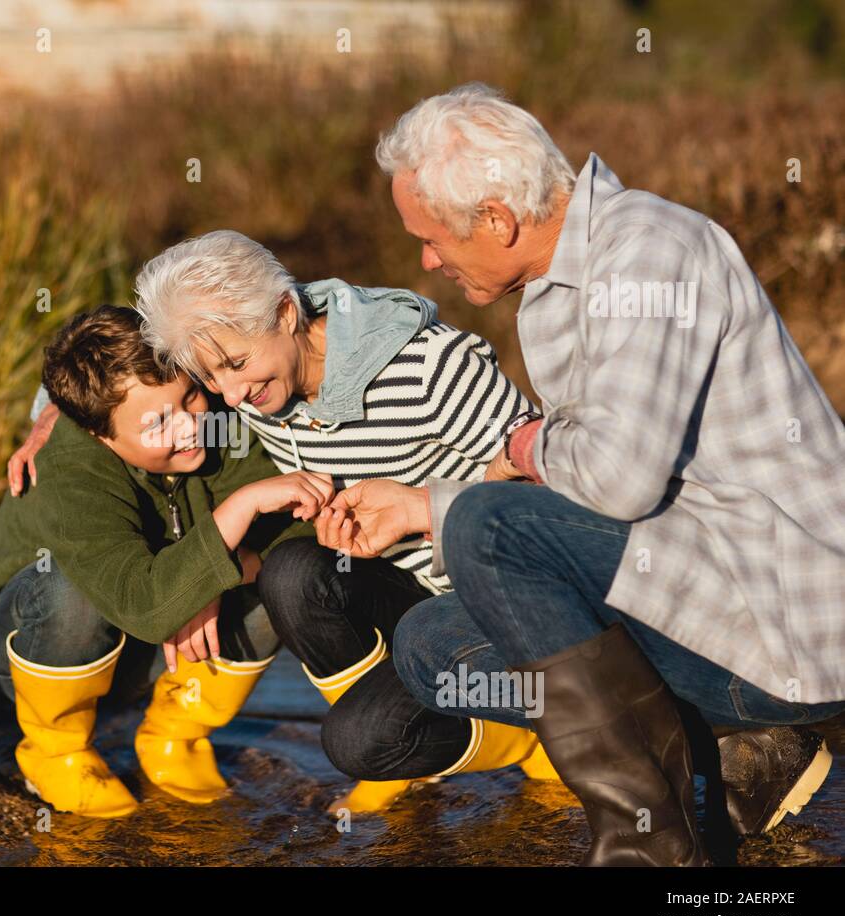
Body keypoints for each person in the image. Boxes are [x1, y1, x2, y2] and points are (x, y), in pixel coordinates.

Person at [321, 82, 845, 864]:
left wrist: (522, 451)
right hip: (701, 594)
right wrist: (425, 506)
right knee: (433, 647)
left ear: (496, 220)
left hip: (785, 628)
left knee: (484, 528)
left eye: (430, 238)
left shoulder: (651, 254)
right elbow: (606, 489)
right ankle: (732, 747)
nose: (426, 259)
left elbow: (619, 478)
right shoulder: (562, 282)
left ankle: (652, 848)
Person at [11, 232, 563, 816]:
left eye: (235, 368)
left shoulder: (431, 369)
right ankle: (413, 751)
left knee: (308, 617)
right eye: (210, 380)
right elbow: (110, 359)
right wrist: (49, 410)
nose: (230, 396)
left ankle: (527, 720)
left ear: (284, 311)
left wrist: (424, 506)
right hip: (401, 596)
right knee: (293, 576)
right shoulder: (246, 377)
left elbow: (553, 483)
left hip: (494, 602)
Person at [0, 304, 336, 817]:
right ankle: (56, 752)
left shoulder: (219, 425)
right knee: (68, 592)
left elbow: (292, 533)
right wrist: (236, 513)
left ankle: (175, 737)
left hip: (151, 647)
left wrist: (210, 580)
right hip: (37, 648)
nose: (188, 428)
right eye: (157, 422)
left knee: (282, 575)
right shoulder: (70, 466)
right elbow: (145, 602)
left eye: (190, 396)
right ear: (100, 435)